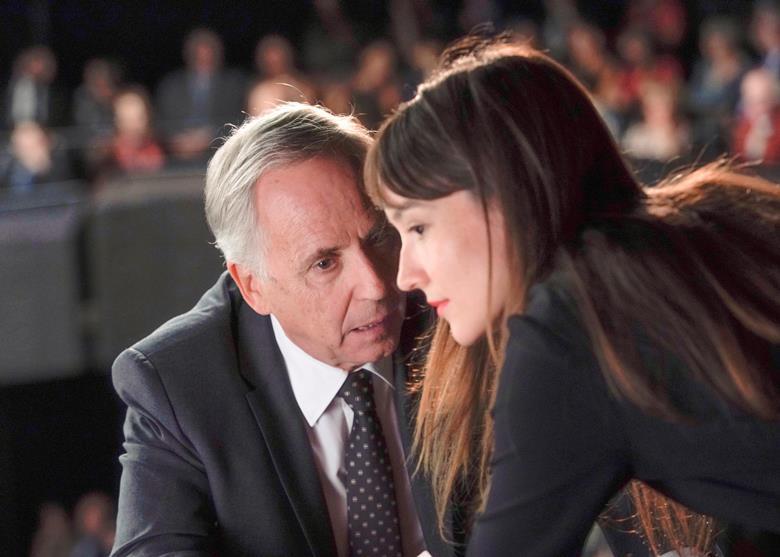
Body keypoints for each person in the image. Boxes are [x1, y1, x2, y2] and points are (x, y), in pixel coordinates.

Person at [365, 39, 780, 556]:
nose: (405, 275)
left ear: (503, 193)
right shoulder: (702, 221)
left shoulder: (565, 330)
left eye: (419, 227)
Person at [111, 102, 462, 556]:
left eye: (378, 237)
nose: (377, 285)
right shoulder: (177, 384)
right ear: (252, 286)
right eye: (325, 263)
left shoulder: (456, 308)